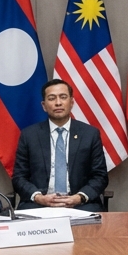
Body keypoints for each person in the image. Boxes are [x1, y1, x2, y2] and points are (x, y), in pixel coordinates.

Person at [11, 79, 109, 212]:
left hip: (81, 205)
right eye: (52, 98)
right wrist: (39, 197)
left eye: (63, 97)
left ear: (71, 102)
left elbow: (100, 176)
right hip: (39, 205)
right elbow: (19, 177)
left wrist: (79, 197)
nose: (58, 103)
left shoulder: (89, 134)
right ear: (44, 105)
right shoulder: (29, 135)